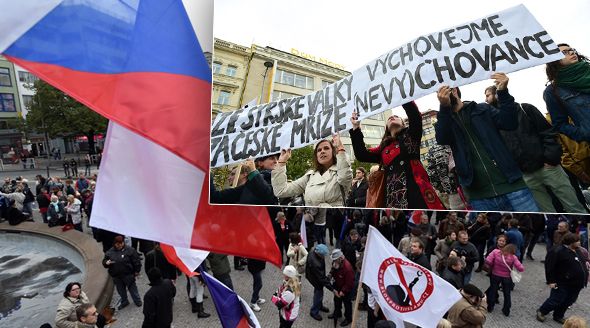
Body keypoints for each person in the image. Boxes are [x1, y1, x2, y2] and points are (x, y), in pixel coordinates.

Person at [434, 75, 539, 212]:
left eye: (447, 90)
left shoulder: (482, 109)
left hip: (513, 187)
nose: (444, 94)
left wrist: (503, 92)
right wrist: (444, 108)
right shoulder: (444, 120)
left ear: (455, 91)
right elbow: (442, 138)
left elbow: (510, 122)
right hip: (480, 197)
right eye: (440, 93)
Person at [350, 102, 444, 209]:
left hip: (417, 191)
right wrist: (355, 129)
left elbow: (415, 116)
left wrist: (404, 97)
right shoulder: (382, 149)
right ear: (386, 128)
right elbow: (361, 155)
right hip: (393, 197)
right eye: (389, 118)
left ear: (403, 124)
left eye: (396, 116)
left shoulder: (411, 135)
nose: (392, 117)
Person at [272, 134, 352, 207]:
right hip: (311, 220)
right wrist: (282, 162)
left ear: (334, 152)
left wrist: (340, 149)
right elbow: (281, 191)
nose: (322, 151)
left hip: (334, 220)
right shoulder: (310, 176)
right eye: (319, 150)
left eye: (326, 148)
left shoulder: (340, 172)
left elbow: (345, 177)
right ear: (316, 156)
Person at [537, 233, 589, 324]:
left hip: (576, 284)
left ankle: (558, 315)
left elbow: (581, 262)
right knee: (556, 299)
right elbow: (549, 266)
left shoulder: (578, 250)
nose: (580, 242)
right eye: (577, 241)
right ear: (571, 242)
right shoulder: (557, 250)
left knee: (568, 301)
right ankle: (542, 311)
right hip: (563, 282)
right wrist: (551, 281)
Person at [544, 44, 590, 143]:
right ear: (554, 60)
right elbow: (560, 124)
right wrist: (585, 133)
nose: (572, 53)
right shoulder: (553, 91)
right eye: (564, 52)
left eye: (572, 50)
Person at [102, 235, 142, 309]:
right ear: (115, 243)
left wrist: (137, 271)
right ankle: (124, 301)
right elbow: (104, 262)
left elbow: (136, 261)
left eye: (121, 243)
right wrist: (106, 263)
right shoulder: (110, 252)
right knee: (121, 291)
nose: (120, 245)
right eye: (118, 244)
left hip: (128, 275)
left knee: (133, 289)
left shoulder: (130, 250)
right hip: (116, 276)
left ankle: (137, 301)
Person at [484, 244, 524, 316]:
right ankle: (506, 310)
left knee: (493, 291)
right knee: (507, 293)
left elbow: (488, 261)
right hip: (506, 277)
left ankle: (490, 307)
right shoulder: (513, 257)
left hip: (495, 275)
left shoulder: (496, 252)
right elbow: (521, 268)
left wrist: (493, 265)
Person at [328, 249, 355, 327]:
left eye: (335, 260)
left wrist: (343, 291)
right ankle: (337, 313)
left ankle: (348, 318)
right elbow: (333, 270)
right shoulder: (336, 262)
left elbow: (349, 282)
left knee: (347, 304)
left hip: (346, 288)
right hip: (337, 284)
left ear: (340, 258)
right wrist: (330, 274)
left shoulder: (347, 268)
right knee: (336, 300)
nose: (334, 261)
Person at [306, 244, 332, 321]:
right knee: (319, 293)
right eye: (323, 255)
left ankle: (319, 306)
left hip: (313, 277)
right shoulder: (316, 263)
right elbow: (321, 278)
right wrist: (332, 288)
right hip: (316, 280)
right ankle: (314, 311)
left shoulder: (313, 252)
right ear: (319, 253)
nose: (324, 257)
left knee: (318, 292)